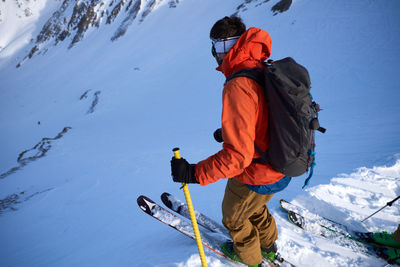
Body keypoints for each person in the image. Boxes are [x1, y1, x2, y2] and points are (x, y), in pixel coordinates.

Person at [170, 15, 292, 267]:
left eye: (216, 46)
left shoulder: (238, 84)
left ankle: (252, 260)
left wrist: (194, 173)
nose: (214, 53)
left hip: (258, 171)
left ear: (226, 46)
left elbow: (238, 157)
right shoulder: (260, 67)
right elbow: (262, 117)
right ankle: (268, 247)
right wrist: (229, 133)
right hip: (281, 163)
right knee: (255, 208)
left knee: (234, 218)